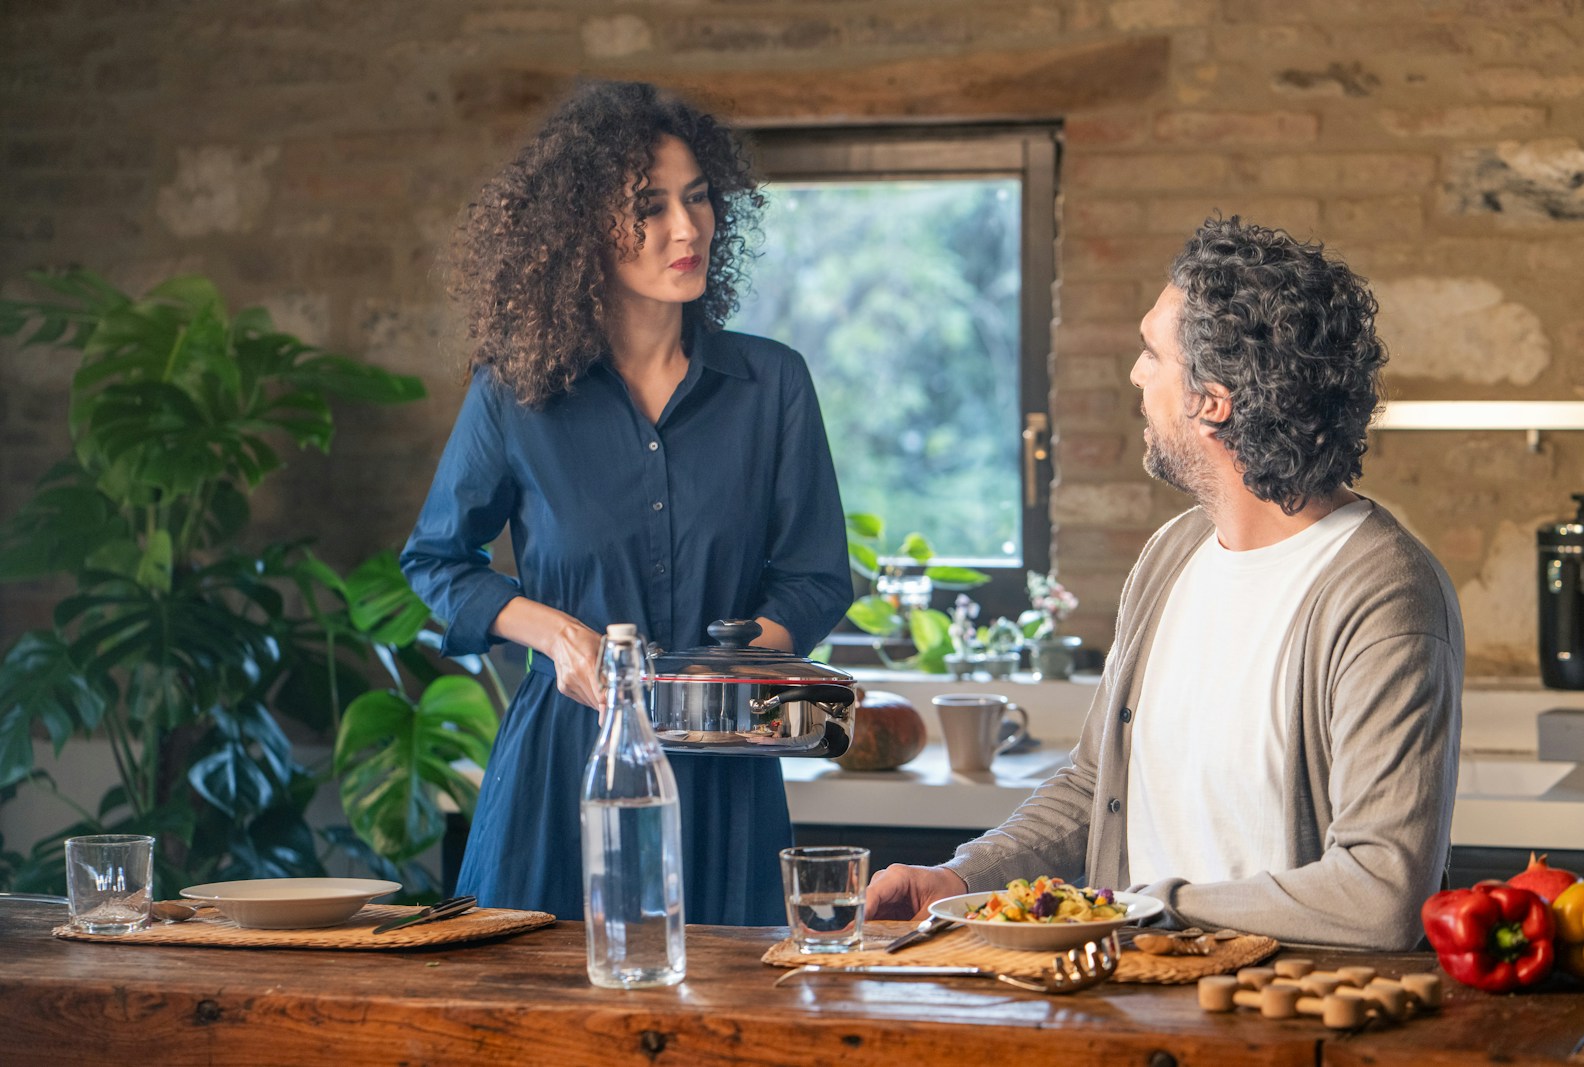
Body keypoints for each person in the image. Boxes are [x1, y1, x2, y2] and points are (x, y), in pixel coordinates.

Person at [867, 216, 1464, 951]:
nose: (1136, 373)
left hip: (1280, 1023)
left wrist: (1153, 907)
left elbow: (1381, 892)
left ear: (1213, 399)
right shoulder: (1170, 556)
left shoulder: (1382, 593)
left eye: (1153, 353)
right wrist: (962, 878)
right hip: (1129, 1003)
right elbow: (1096, 786)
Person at [400, 80, 852, 926]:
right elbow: (435, 561)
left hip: (724, 768)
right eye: (650, 206)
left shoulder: (773, 383)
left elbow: (816, 578)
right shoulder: (516, 394)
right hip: (561, 766)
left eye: (698, 198)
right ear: (580, 233)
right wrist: (553, 633)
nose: (687, 229)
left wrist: (742, 659)